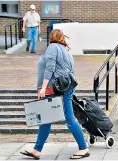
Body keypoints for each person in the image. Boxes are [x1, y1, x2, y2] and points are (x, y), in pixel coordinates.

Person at [20, 29, 90, 160]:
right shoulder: (65, 49)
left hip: (57, 88)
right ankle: (37, 149)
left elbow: (50, 68)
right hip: (63, 87)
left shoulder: (53, 47)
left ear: (52, 37)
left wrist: (43, 88)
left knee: (69, 118)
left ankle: (83, 148)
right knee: (46, 118)